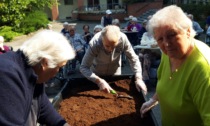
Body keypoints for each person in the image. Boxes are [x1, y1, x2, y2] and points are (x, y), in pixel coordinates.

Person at [140, 5, 210, 126]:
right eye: (160, 39)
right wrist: (153, 99)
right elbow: (166, 82)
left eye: (171, 35)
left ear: (188, 31)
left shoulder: (203, 69)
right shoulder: (169, 53)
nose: (166, 44)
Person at [0, 30, 75, 125]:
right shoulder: (7, 75)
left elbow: (43, 107)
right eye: (59, 67)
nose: (57, 73)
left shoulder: (34, 72)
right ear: (45, 62)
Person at [80, 25, 147, 94]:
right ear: (102, 39)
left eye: (114, 46)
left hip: (115, 74)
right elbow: (83, 67)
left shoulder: (123, 39)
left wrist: (138, 78)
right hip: (97, 73)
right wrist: (99, 81)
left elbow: (133, 59)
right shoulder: (95, 43)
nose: (110, 50)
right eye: (107, 46)